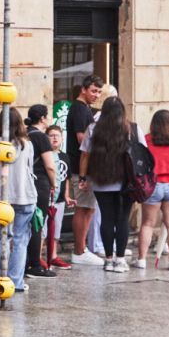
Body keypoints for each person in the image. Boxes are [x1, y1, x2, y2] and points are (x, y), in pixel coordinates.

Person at [79, 95, 133, 271]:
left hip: (101, 180)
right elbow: (141, 153)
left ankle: (109, 259)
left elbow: (85, 155)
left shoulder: (93, 129)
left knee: (107, 218)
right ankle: (120, 259)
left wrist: (82, 177)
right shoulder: (131, 128)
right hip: (127, 181)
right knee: (123, 218)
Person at [0, 107, 36, 293]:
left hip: (2, 198)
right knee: (20, 239)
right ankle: (15, 280)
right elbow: (30, 169)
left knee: (1, 237)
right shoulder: (26, 144)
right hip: (25, 195)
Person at [135, 109, 169, 270]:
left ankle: (142, 260)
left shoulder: (147, 140)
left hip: (153, 185)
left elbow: (141, 162)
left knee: (147, 224)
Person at [64, 77, 104, 264]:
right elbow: (82, 139)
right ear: (83, 89)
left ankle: (83, 249)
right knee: (83, 208)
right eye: (93, 91)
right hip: (80, 166)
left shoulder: (84, 108)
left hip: (85, 166)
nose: (96, 95)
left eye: (98, 92)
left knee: (88, 208)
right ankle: (79, 251)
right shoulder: (79, 109)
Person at [25, 105, 58, 277]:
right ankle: (35, 264)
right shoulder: (42, 138)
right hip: (41, 183)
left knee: (25, 224)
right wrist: (54, 183)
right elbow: (50, 165)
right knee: (37, 223)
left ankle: (24, 263)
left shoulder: (25, 134)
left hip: (26, 182)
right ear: (43, 118)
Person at [44, 123, 71, 268]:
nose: (55, 138)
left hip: (59, 199)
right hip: (46, 197)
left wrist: (66, 196)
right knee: (43, 230)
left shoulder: (65, 156)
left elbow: (66, 178)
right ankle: (39, 256)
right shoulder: (44, 155)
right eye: (51, 135)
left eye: (57, 136)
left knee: (56, 229)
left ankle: (53, 255)